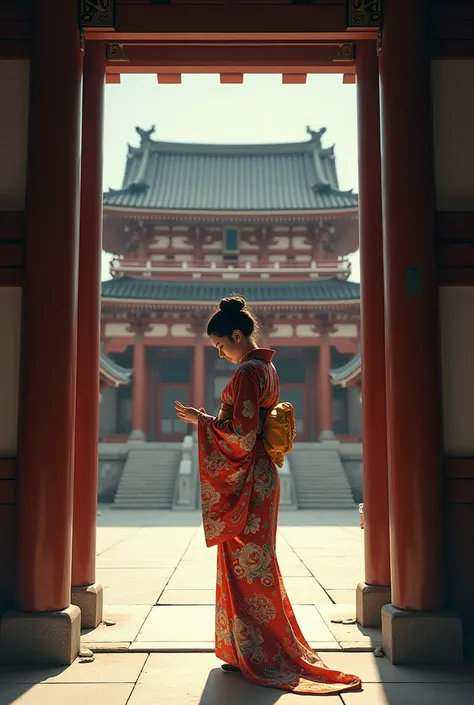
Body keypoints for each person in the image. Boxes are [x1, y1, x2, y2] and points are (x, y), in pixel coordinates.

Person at [175, 296, 361, 695]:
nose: (220, 354)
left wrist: (202, 420)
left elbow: (240, 434)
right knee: (253, 565)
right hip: (263, 474)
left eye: (221, 346)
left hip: (249, 478)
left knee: (248, 566)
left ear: (237, 335)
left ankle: (261, 653)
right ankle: (250, 649)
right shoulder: (268, 368)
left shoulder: (246, 373)